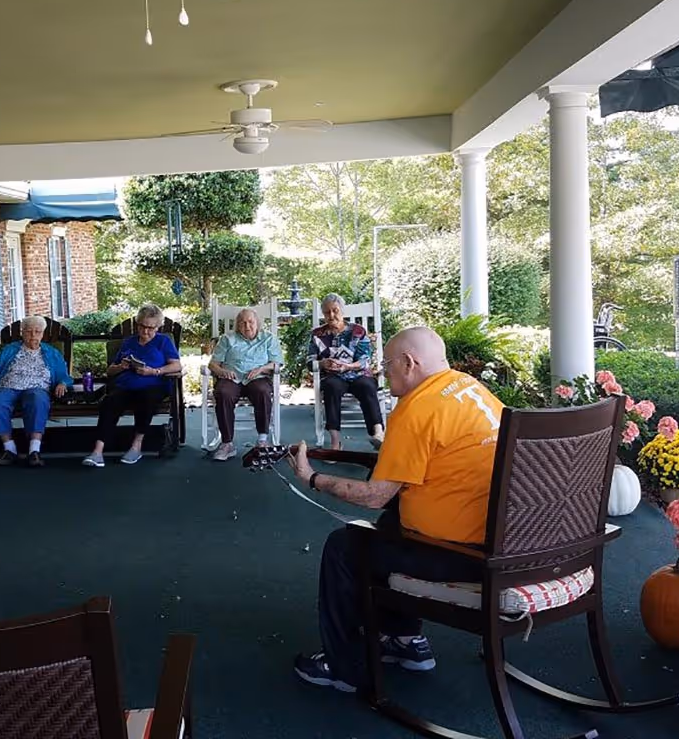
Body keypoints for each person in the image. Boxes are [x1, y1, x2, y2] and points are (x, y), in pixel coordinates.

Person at [289, 326, 503, 693]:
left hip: (460, 554)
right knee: (390, 523)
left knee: (344, 548)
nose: (382, 371)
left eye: (387, 364)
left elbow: (375, 495)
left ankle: (343, 666)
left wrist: (312, 478)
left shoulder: (417, 407)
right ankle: (405, 640)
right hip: (503, 542)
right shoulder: (470, 387)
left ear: (409, 362)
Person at [0, 315, 71, 468]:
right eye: (28, 331)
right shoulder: (11, 349)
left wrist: (62, 383)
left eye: (37, 332)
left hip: (37, 387)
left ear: (43, 334)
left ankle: (34, 450)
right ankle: (9, 449)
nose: (33, 336)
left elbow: (64, 375)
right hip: (8, 385)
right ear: (22, 332)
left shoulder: (52, 353)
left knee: (38, 400)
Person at [82, 303, 182, 467]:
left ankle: (136, 446)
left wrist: (153, 371)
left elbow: (176, 366)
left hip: (153, 385)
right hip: (126, 386)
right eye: (142, 326)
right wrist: (121, 366)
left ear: (157, 327)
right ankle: (97, 452)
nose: (145, 331)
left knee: (146, 398)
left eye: (151, 328)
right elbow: (110, 371)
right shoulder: (129, 342)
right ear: (137, 324)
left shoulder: (163, 342)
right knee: (110, 401)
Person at [308, 293, 386, 449]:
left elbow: (365, 360)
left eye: (335, 310)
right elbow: (310, 362)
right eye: (327, 312)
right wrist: (322, 363)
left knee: (367, 386)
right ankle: (335, 441)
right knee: (331, 387)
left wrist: (347, 366)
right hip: (333, 376)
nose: (331, 315)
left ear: (342, 311)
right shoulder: (317, 335)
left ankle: (378, 433)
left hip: (358, 374)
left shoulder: (357, 331)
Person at [207, 308, 283, 461]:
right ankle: (227, 444)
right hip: (232, 378)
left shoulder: (268, 338)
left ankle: (262, 439)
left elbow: (277, 363)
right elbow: (212, 364)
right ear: (237, 325)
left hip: (257, 377)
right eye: (242, 323)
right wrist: (222, 372)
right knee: (223, 393)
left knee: (262, 391)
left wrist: (262, 368)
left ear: (258, 323)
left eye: (250, 322)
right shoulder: (227, 339)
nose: (247, 326)